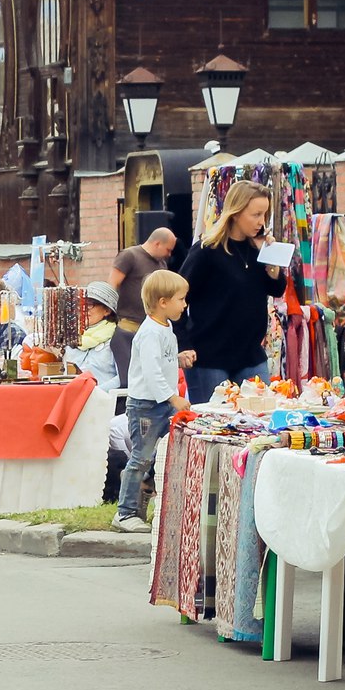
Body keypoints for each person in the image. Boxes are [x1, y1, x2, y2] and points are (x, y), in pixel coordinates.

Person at [173, 179, 287, 404]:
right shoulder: (206, 251)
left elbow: (276, 288)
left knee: (260, 417)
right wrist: (183, 343)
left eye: (264, 215)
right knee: (214, 423)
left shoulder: (257, 248)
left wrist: (271, 261)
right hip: (209, 356)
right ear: (235, 213)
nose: (261, 222)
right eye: (255, 215)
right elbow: (177, 296)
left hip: (250, 353)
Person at [114, 270, 193, 532]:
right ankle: (125, 513)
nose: (184, 304)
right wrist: (173, 397)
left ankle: (141, 501)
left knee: (158, 455)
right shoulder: (149, 333)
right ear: (163, 302)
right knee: (141, 458)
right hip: (146, 406)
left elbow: (161, 361)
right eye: (181, 299)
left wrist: (178, 359)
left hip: (160, 404)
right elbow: (151, 371)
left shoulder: (165, 328)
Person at [110, 227, 179, 309]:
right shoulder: (129, 255)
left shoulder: (162, 264)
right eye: (168, 250)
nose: (169, 254)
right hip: (128, 319)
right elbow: (112, 283)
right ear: (157, 244)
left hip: (152, 318)